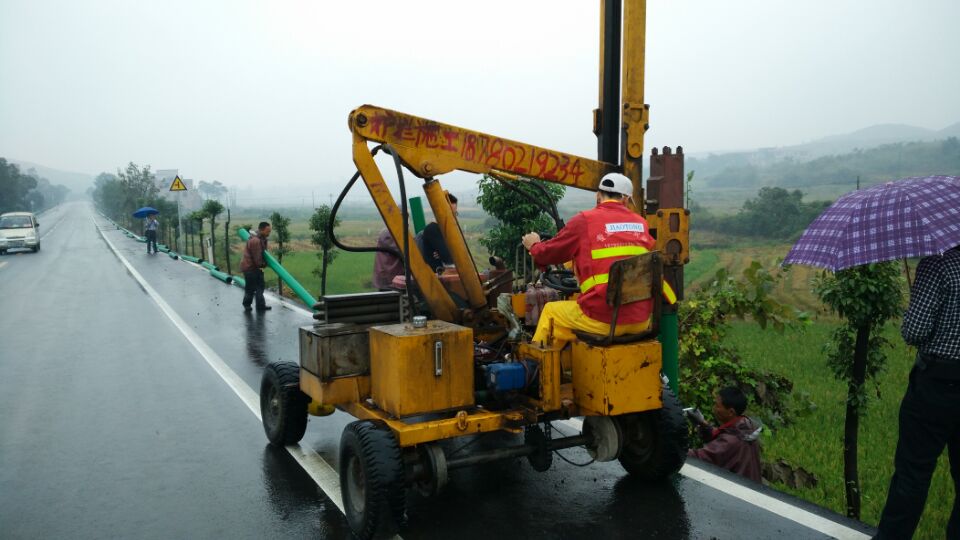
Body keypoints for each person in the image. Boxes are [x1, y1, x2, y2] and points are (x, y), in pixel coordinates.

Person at [522, 172, 670, 348]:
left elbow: (548, 254)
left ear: (598, 195)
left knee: (550, 312)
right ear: (627, 200)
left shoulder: (584, 220)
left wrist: (534, 246)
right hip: (641, 320)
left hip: (604, 319)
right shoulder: (641, 223)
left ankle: (539, 372)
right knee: (570, 320)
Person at [875, 246, 960, 539]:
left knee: (913, 473)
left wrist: (911, 312)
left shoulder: (938, 264)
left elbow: (915, 331)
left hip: (937, 384)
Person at [685, 386, 762, 482]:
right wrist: (703, 423)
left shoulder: (732, 441)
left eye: (717, 406)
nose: (714, 408)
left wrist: (674, 449)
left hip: (737, 491)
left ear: (731, 412)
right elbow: (719, 434)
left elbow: (700, 457)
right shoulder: (745, 426)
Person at [419, 192, 457, 272]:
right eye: (450, 213)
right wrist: (450, 251)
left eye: (455, 213)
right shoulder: (433, 229)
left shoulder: (448, 230)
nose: (453, 217)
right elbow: (448, 259)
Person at [240, 221, 272, 312]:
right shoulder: (256, 241)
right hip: (250, 268)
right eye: (267, 231)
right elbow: (257, 257)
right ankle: (247, 305)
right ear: (261, 230)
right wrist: (264, 265)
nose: (268, 234)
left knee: (260, 287)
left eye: (269, 231)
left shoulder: (261, 238)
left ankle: (260, 305)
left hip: (255, 267)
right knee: (250, 288)